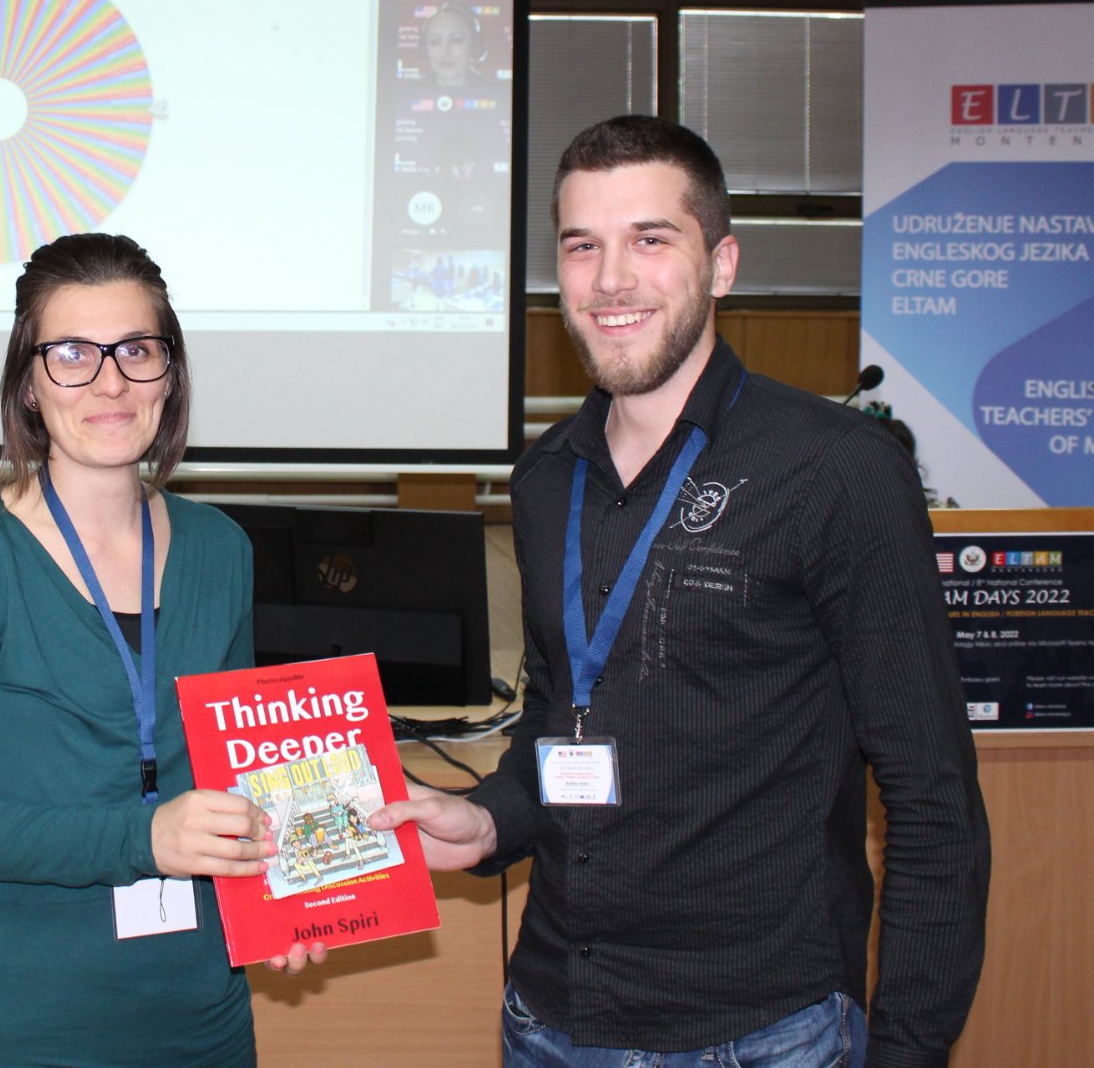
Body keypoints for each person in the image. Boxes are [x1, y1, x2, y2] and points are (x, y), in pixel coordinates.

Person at [371, 116, 990, 1068]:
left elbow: (934, 797)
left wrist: (907, 1052)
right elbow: (561, 720)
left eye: (650, 239)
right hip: (551, 1022)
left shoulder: (837, 470)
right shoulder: (545, 479)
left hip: (764, 1033)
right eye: (583, 246)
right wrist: (489, 817)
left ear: (722, 263)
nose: (611, 279)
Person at [0, 233, 323, 1068]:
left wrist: (289, 894)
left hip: (202, 1018)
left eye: (137, 350)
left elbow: (240, 777)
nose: (110, 382)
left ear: (170, 373)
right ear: (29, 383)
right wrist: (142, 836)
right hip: (22, 1023)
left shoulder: (221, 549)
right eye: (74, 353)